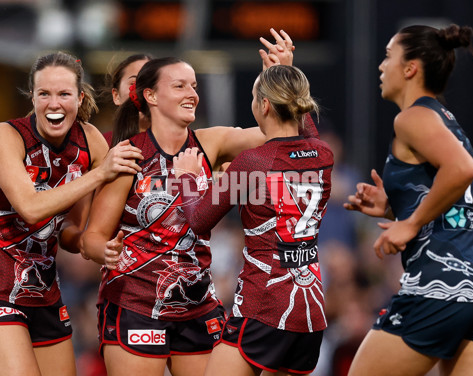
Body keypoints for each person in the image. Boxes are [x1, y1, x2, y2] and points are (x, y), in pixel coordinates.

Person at [80, 29, 305, 376]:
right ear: (151, 96)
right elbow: (92, 236)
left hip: (197, 304)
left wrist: (281, 79)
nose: (192, 94)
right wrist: (104, 251)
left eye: (195, 86)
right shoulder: (128, 156)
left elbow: (281, 133)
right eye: (180, 86)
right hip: (136, 303)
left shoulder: (210, 143)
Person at [0, 51, 142, 376]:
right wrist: (98, 174)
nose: (53, 103)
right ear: (32, 97)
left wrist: (93, 243)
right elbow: (30, 209)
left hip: (45, 294)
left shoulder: (89, 140)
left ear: (79, 97)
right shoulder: (5, 136)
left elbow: (70, 231)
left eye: (63, 94)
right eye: (44, 94)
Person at [344, 24, 473, 376]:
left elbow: (462, 169)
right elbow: (455, 197)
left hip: (441, 286)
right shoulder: (447, 121)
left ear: (410, 68)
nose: (381, 65)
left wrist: (410, 222)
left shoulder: (412, 118)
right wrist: (391, 206)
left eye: (388, 56)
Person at [172, 64, 334, 375]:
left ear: (264, 105)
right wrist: (287, 68)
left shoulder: (253, 162)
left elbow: (199, 221)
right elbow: (307, 136)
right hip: (310, 307)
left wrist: (188, 179)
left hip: (265, 304)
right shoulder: (323, 153)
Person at [102, 53, 154, 145]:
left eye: (150, 83)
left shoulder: (182, 145)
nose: (142, 90)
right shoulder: (100, 144)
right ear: (116, 95)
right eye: (134, 83)